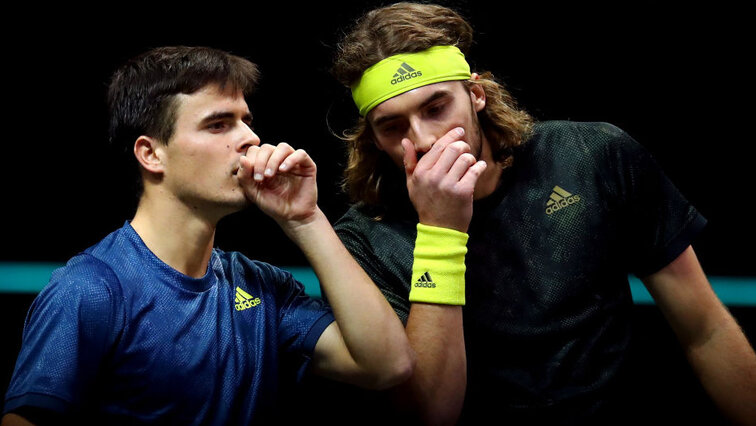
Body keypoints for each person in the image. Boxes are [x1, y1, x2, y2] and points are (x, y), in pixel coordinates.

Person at [322, 2, 756, 425]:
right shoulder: (365, 239)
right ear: (374, 140)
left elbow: (706, 330)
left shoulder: (590, 155)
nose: (422, 140)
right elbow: (430, 413)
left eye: (436, 108)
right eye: (392, 126)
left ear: (475, 95)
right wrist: (441, 230)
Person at [1, 46, 415, 425]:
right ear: (151, 154)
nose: (251, 139)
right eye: (218, 125)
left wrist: (305, 219)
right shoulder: (90, 289)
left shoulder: (263, 288)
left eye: (246, 122)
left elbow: (387, 365)